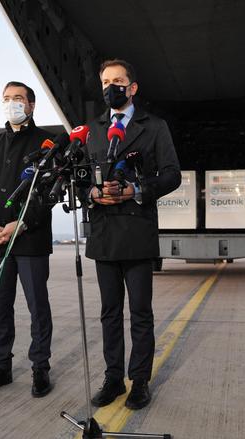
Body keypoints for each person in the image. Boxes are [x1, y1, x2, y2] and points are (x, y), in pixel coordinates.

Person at [82, 59, 181, 410]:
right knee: (109, 312)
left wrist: (135, 189)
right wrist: (92, 194)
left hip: (137, 231)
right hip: (104, 233)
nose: (112, 87)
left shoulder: (153, 127)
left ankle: (139, 380)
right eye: (106, 81)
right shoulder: (92, 130)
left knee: (140, 311)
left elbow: (172, 175)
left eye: (119, 81)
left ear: (133, 87)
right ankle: (113, 378)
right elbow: (80, 179)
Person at [0, 81, 56, 397]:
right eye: (6, 99)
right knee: (1, 308)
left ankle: (40, 369)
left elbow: (48, 192)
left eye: (18, 98)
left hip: (30, 240)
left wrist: (21, 223)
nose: (12, 104)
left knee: (38, 307)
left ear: (31, 105)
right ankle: (2, 367)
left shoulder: (49, 143)